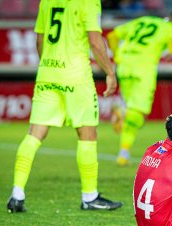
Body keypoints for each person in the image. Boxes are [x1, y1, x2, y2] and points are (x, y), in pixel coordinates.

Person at [7, 0, 123, 212]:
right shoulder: (89, 2)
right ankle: (90, 197)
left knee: (35, 134)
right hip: (76, 76)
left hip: (47, 74)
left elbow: (39, 41)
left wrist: (49, 68)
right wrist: (110, 72)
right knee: (87, 134)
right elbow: (95, 42)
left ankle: (17, 193)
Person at [106, 7, 172, 166]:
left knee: (134, 110)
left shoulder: (142, 20)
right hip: (143, 69)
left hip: (124, 67)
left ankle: (124, 152)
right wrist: (170, 51)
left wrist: (117, 56)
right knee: (138, 114)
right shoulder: (170, 29)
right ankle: (123, 121)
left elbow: (112, 35)